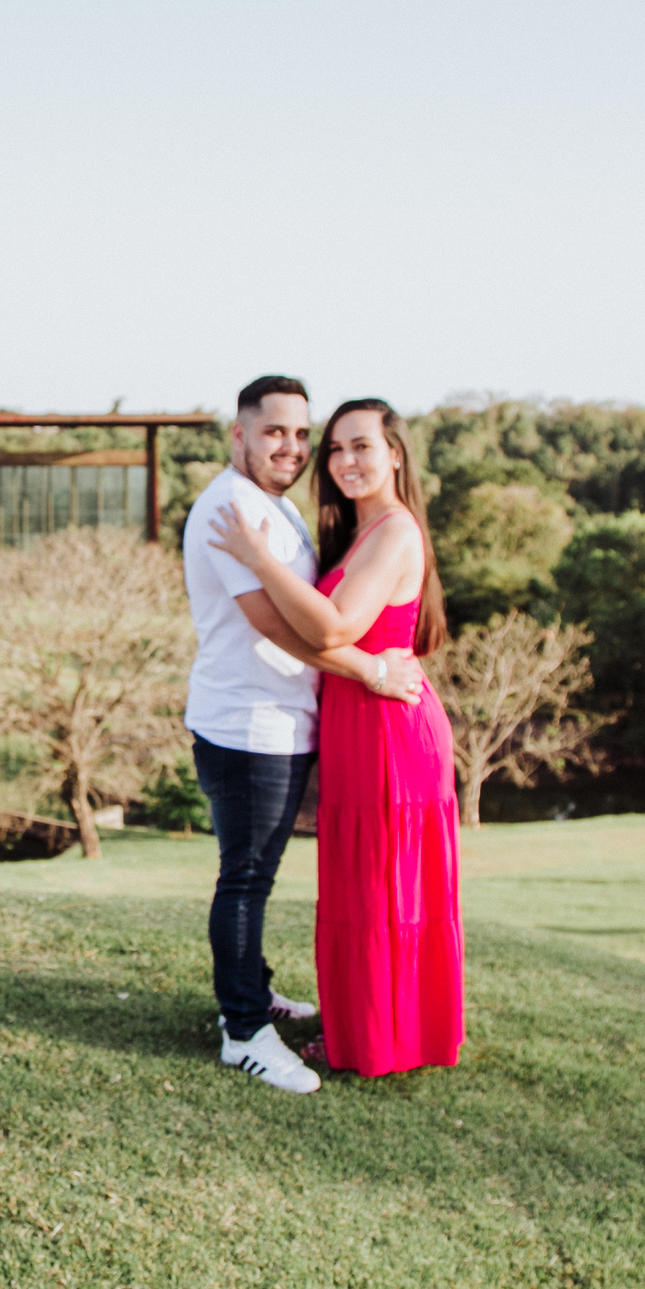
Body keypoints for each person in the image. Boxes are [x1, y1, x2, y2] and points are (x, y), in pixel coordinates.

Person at [208, 397, 463, 1078]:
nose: (346, 461)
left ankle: (384, 1041)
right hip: (356, 718)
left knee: (383, 889)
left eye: (362, 446)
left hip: (390, 728)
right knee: (360, 887)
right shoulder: (360, 530)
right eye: (337, 449)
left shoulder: (395, 530)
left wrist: (259, 558)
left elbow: (332, 627)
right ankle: (368, 1025)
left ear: (395, 455)